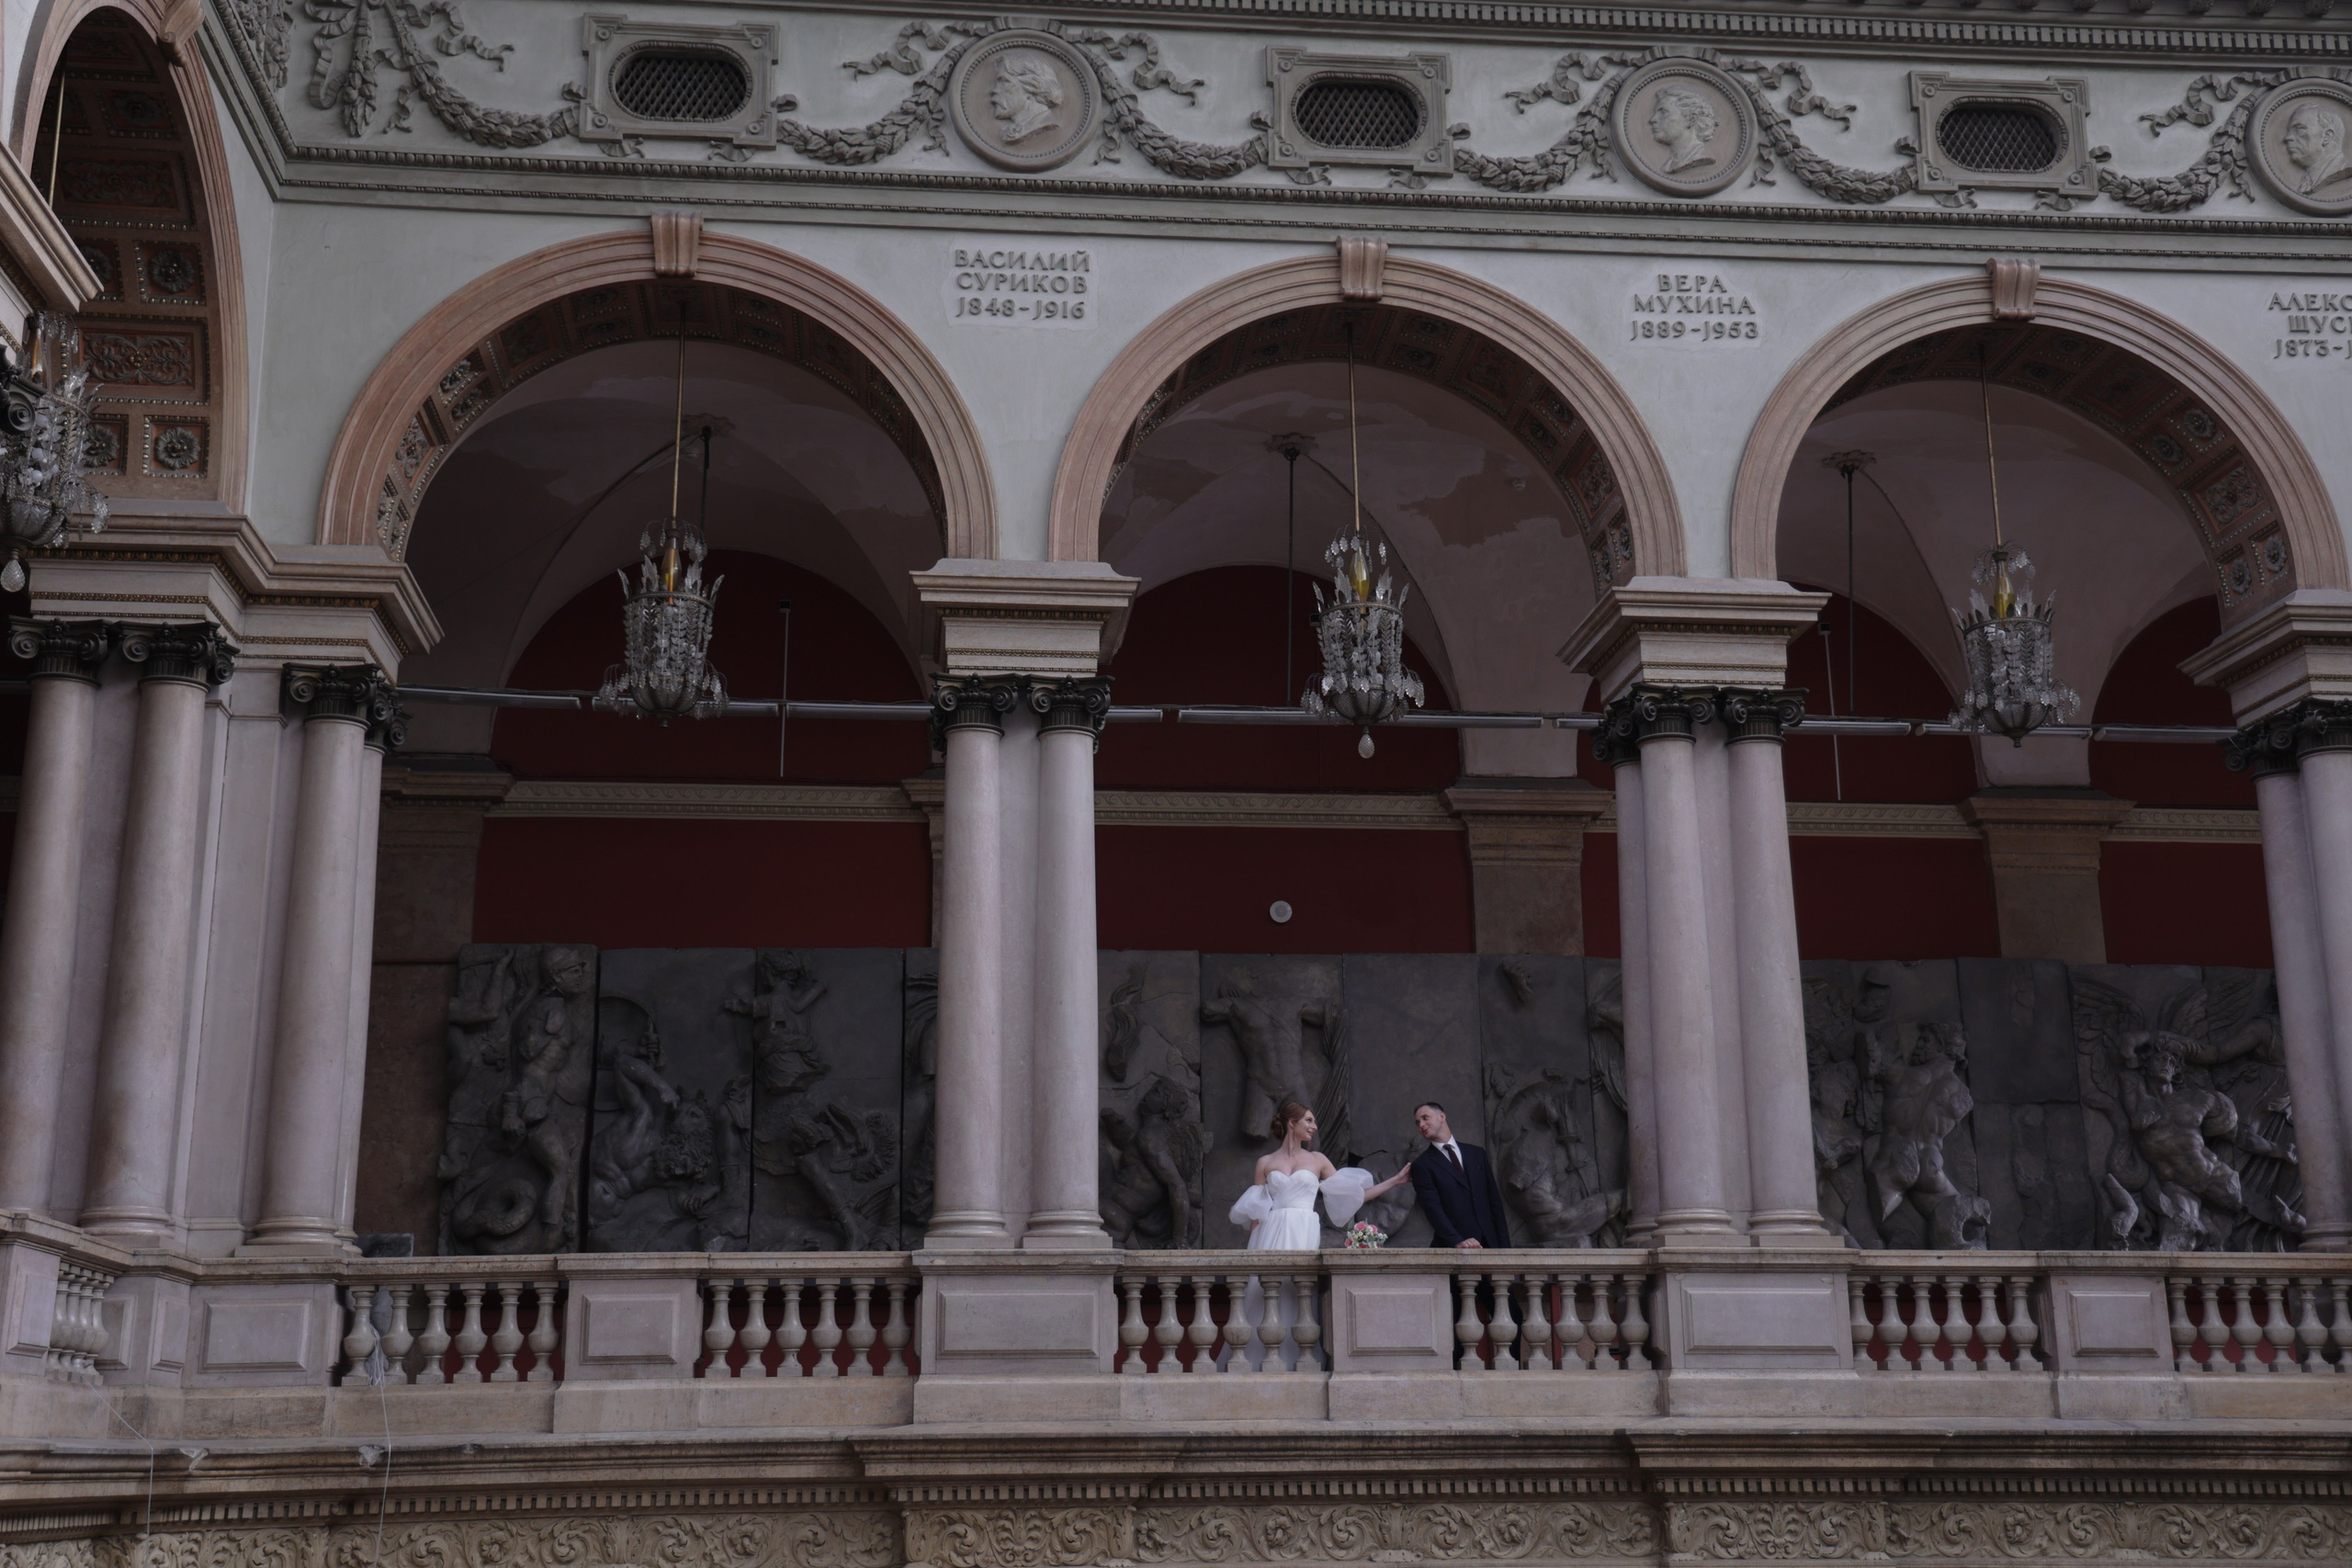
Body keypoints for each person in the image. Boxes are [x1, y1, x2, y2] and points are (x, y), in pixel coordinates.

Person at [1229, 1100, 1411, 1248]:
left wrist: (1395, 1180)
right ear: (1292, 1123)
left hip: (1302, 1227)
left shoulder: (1318, 1160)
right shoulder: (1265, 1162)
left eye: (1314, 1122)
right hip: (1269, 1230)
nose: (1314, 1126)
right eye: (1309, 1121)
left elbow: (1356, 1194)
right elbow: (1257, 1210)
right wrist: (1251, 1249)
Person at [1408, 1101, 1512, 1249]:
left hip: (1491, 1245)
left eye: (1426, 1118)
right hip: (1452, 1248)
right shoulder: (1422, 1165)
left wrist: (1505, 1248)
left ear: (1442, 1116)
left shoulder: (1477, 1154)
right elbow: (1433, 1210)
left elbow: (1494, 1202)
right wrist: (1456, 1241)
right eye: (1418, 1122)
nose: (1421, 1125)